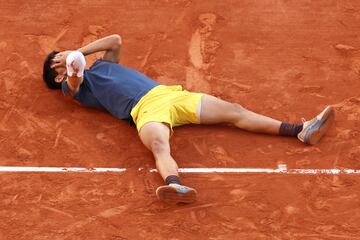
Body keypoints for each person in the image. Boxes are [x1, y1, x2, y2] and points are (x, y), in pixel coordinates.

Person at [42, 34, 334, 204]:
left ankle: (300, 130)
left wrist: (77, 51)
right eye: (59, 60)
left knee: (233, 110)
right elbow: (76, 73)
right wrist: (72, 59)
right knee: (159, 145)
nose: (66, 56)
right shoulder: (73, 88)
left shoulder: (104, 64)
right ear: (58, 74)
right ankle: (175, 185)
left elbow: (115, 40)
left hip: (170, 96)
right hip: (144, 109)